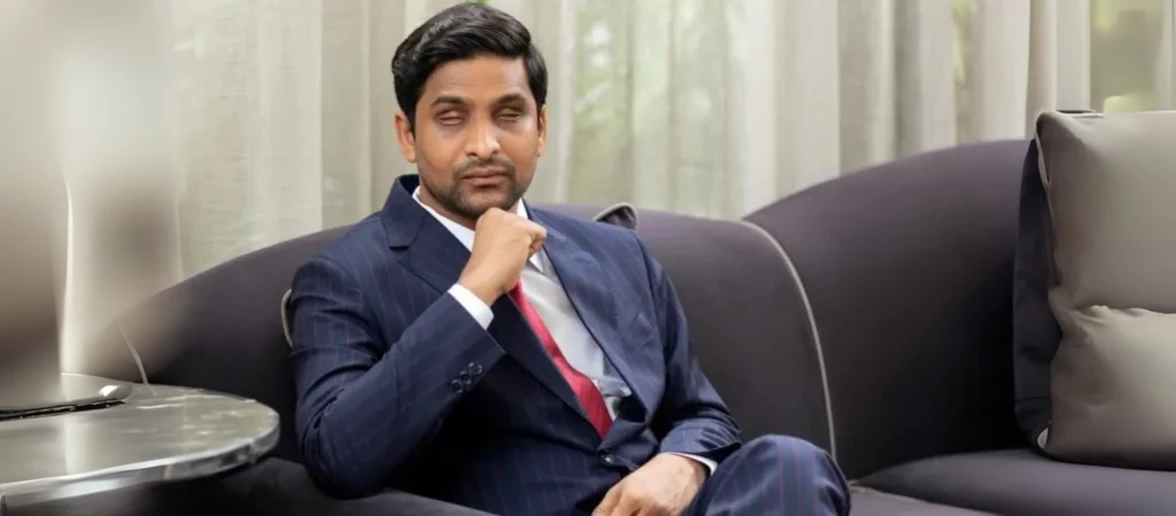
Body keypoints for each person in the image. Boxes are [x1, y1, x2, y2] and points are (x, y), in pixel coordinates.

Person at [288, 4, 850, 515]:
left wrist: (682, 464)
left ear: (541, 128)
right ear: (408, 135)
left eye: (509, 115)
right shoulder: (346, 277)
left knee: (793, 464)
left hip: (674, 506)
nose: (484, 144)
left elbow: (701, 412)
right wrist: (475, 291)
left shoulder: (617, 251)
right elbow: (339, 456)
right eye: (452, 118)